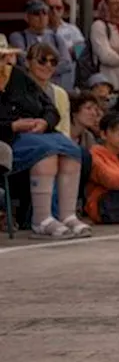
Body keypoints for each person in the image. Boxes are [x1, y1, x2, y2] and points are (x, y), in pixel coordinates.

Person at [0, 45, 88, 238]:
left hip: (37, 132)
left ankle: (67, 216)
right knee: (46, 151)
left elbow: (50, 108)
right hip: (7, 137)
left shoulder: (17, 76)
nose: (4, 62)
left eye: (7, 57)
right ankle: (41, 220)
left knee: (72, 150)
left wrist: (45, 122)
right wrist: (13, 126)